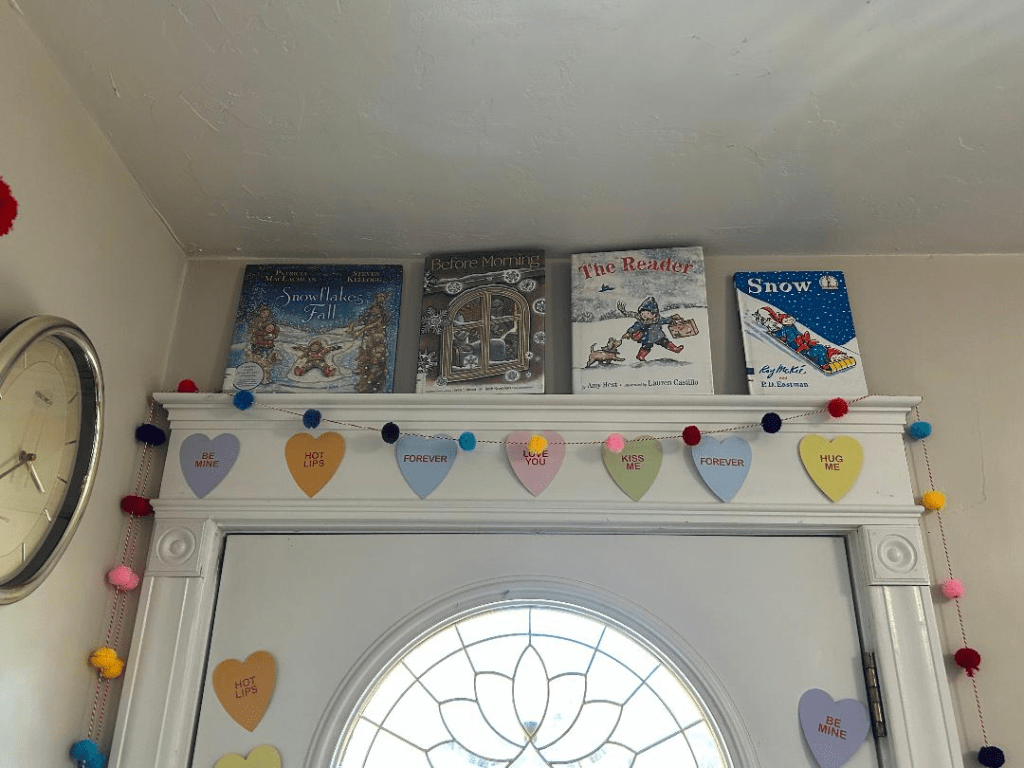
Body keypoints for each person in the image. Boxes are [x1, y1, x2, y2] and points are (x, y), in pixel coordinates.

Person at [620, 296, 684, 361]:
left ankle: (675, 349)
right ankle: (641, 355)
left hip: (659, 336)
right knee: (646, 347)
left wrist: (672, 319)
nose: (643, 315)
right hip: (647, 338)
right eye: (642, 313)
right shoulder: (641, 322)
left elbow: (666, 320)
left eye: (647, 313)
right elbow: (634, 327)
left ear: (654, 314)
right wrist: (629, 333)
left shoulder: (658, 320)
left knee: (666, 342)